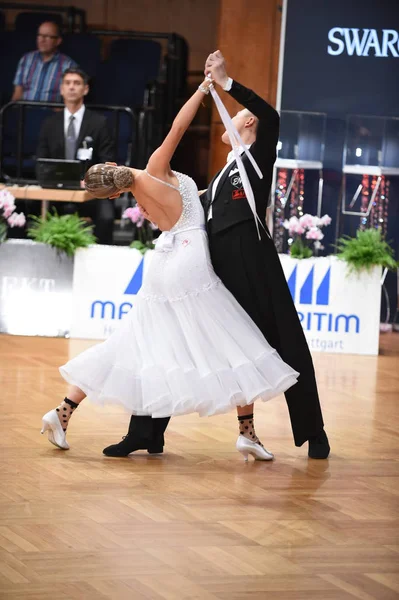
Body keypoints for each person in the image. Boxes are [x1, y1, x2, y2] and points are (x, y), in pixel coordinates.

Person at [41, 75, 300, 462]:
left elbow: (184, 207)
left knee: (130, 342)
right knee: (230, 339)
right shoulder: (154, 168)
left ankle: (62, 412)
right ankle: (246, 431)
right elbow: (179, 127)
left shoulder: (141, 192)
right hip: (189, 259)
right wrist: (199, 92)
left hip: (161, 261)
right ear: (113, 165)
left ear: (114, 189)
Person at [104, 51, 330, 460]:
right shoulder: (225, 171)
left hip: (252, 263)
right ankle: (146, 432)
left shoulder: (258, 155)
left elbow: (271, 116)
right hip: (212, 267)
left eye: (239, 111)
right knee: (172, 341)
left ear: (246, 122)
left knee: (286, 343)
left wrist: (226, 85)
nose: (237, 114)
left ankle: (313, 431)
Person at [36, 67, 115, 244]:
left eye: (77, 83)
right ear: (62, 89)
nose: (72, 87)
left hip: (90, 191)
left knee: (107, 216)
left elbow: (106, 159)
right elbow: (41, 159)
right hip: (56, 189)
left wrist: (90, 181)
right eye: (68, 83)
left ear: (85, 89)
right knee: (29, 208)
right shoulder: (49, 124)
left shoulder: (99, 123)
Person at [12, 21, 76, 102]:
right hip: (25, 111)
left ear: (58, 41)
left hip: (52, 113)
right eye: (40, 35)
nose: (42, 40)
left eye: (47, 36)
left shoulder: (69, 65)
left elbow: (71, 101)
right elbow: (17, 94)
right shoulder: (26, 59)